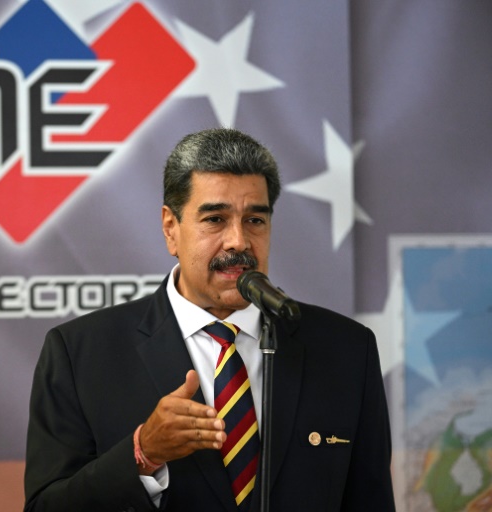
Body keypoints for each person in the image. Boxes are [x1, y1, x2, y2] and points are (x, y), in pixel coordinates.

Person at [23, 128, 396, 511]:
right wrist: (144, 453)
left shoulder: (346, 350)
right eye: (215, 219)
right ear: (171, 228)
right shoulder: (81, 354)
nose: (239, 241)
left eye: (255, 220)